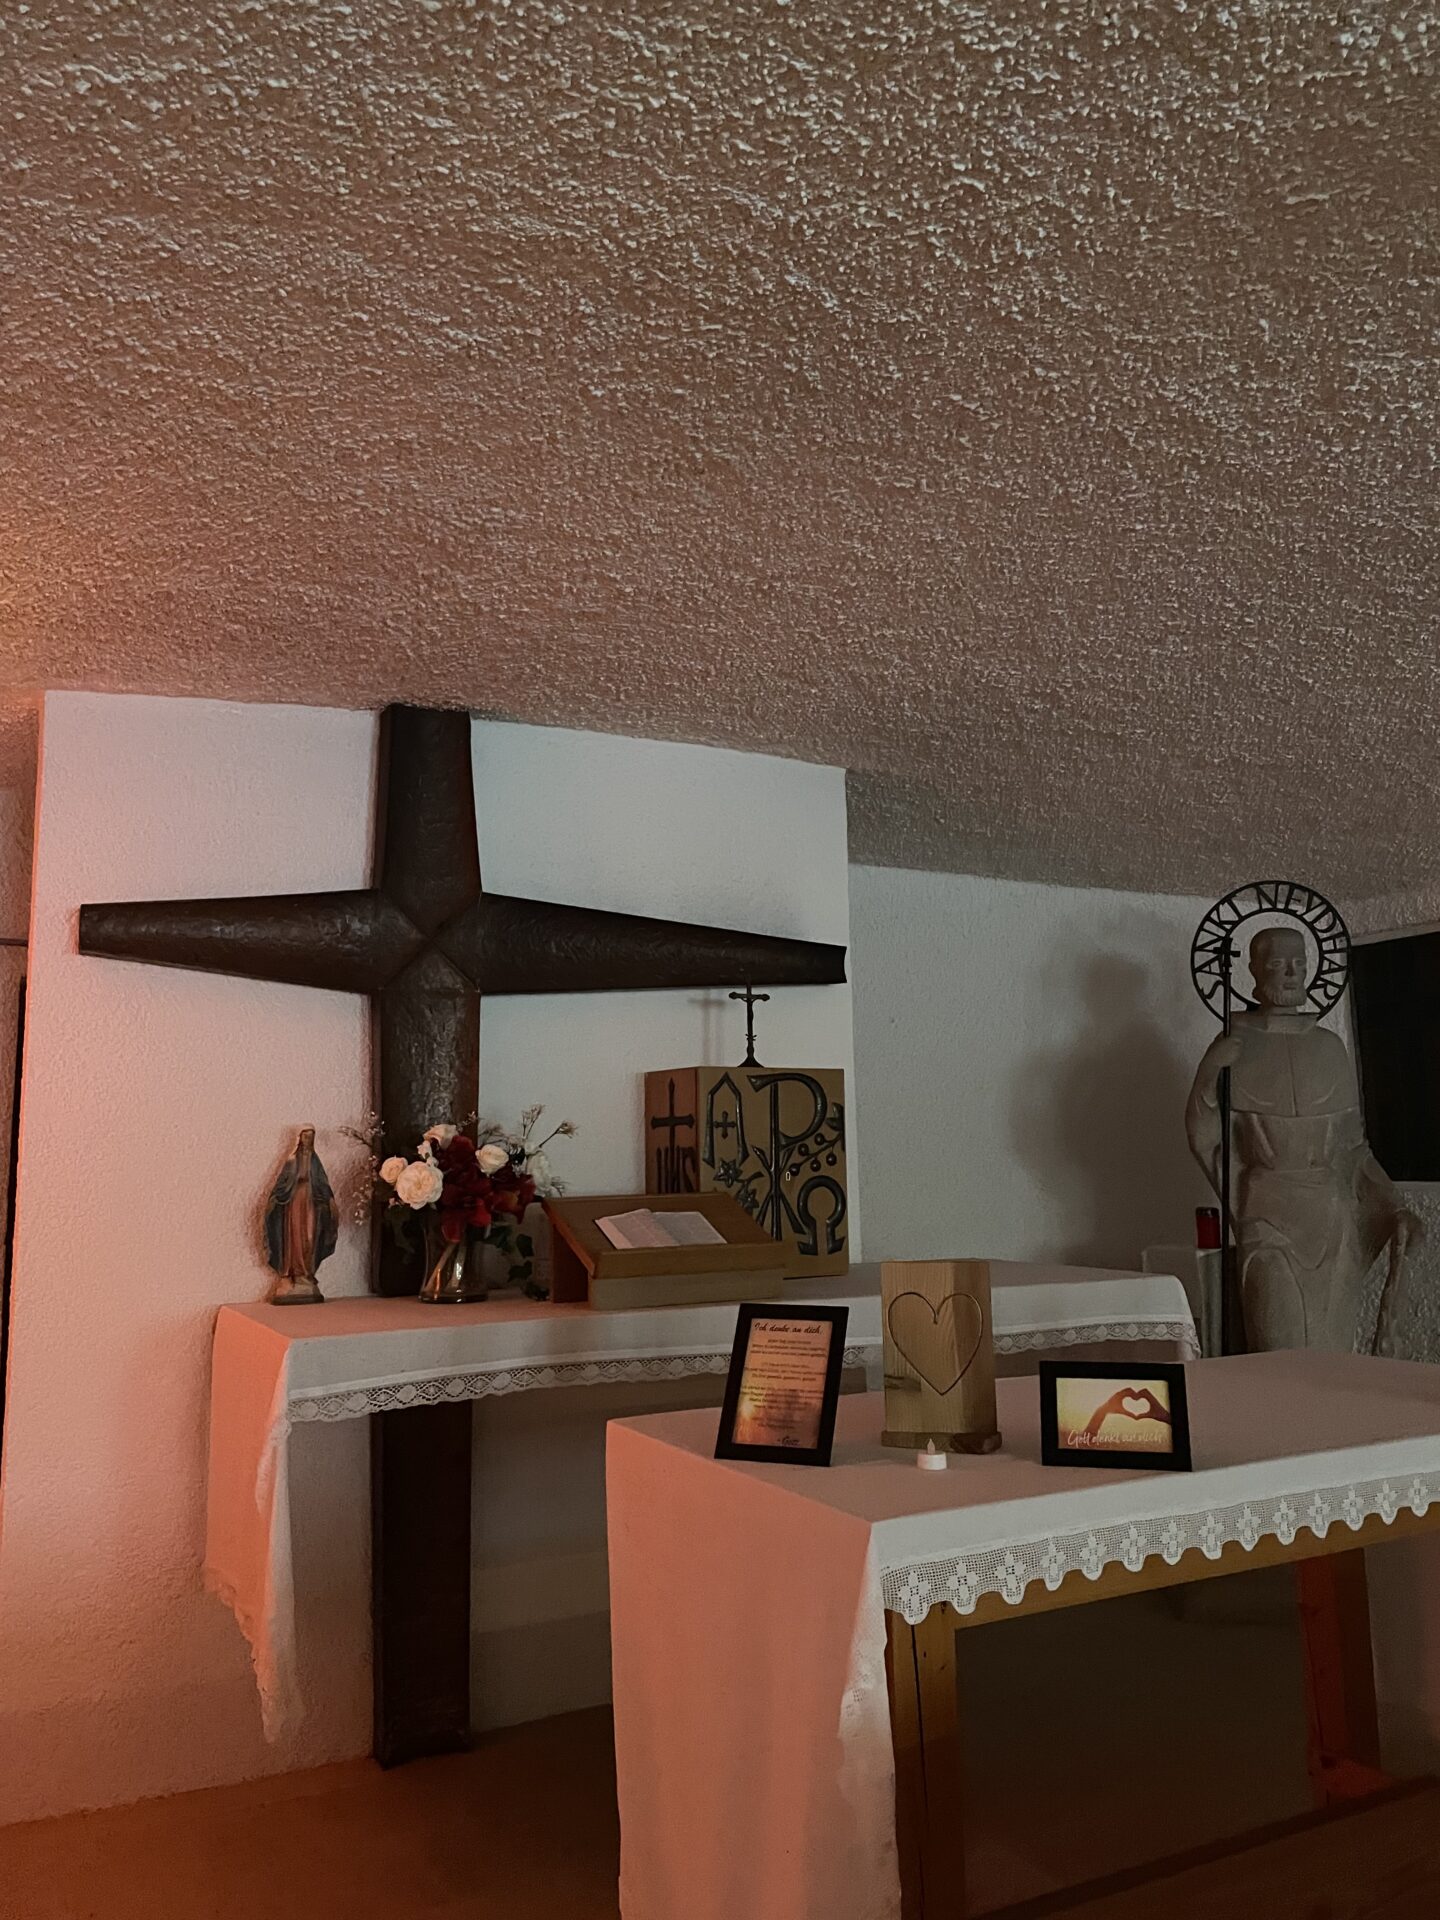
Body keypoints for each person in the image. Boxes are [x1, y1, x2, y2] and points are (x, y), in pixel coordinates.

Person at [1186, 926, 1419, 1351]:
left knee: (1333, 1354)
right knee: (1278, 1348)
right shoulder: (1234, 1045)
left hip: (1330, 1221)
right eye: (1278, 963)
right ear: (1254, 969)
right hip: (1267, 1218)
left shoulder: (1329, 1048)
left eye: (1299, 962)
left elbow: (1353, 1151)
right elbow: (1207, 1138)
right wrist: (1208, 1073)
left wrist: (1394, 1205)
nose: (1291, 973)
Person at [264, 1126, 338, 1304]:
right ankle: (292, 1273)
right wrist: (275, 1199)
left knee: (310, 1237)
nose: (308, 1140)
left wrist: (329, 1200)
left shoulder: (315, 1161)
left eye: (311, 1137)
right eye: (305, 1137)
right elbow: (282, 1184)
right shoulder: (292, 1161)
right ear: (300, 1138)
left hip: (311, 1203)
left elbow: (323, 1184)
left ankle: (306, 1273)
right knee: (295, 1237)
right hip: (295, 1203)